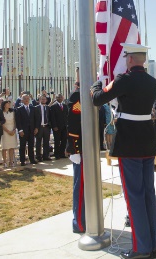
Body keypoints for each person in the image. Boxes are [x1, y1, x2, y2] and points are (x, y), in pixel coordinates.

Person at [91, 43, 156, 259]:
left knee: (134, 196)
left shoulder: (124, 80)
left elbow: (98, 99)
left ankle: (141, 248)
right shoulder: (153, 82)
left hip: (129, 143)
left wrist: (95, 85)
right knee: (148, 194)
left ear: (130, 59)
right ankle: (152, 244)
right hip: (147, 142)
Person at [67, 81, 85, 234]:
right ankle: (79, 222)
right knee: (80, 188)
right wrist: (75, 150)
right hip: (80, 149)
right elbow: (73, 126)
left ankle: (87, 219)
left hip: (88, 148)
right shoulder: (77, 96)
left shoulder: (88, 94)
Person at [15, 94, 38, 165]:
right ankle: (22, 160)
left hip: (31, 130)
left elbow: (36, 119)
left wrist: (36, 128)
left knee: (31, 145)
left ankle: (32, 159)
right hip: (23, 131)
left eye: (28, 98)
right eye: (25, 98)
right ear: (22, 100)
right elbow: (18, 121)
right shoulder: (19, 109)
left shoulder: (33, 108)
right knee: (22, 146)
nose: (27, 100)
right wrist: (20, 130)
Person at [49, 93, 68, 160]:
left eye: (61, 97)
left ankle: (62, 153)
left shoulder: (65, 106)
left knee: (64, 140)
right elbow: (52, 118)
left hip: (64, 127)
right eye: (58, 97)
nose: (60, 98)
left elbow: (66, 116)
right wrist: (54, 126)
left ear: (63, 98)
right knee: (57, 141)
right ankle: (56, 154)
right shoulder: (53, 106)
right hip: (57, 127)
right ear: (56, 98)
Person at [34, 95, 52, 161]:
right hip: (39, 127)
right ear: (40, 100)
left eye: (44, 99)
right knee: (38, 142)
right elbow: (34, 119)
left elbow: (50, 117)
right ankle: (38, 157)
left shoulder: (48, 108)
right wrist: (36, 128)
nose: (43, 100)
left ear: (46, 100)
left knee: (46, 142)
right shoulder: (36, 108)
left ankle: (46, 156)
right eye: (42, 99)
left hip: (46, 127)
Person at [0, 100, 18, 168]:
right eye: (7, 103)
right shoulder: (1, 112)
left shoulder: (12, 112)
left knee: (11, 147)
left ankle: (11, 161)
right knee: (5, 147)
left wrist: (13, 130)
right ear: (4, 105)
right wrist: (8, 131)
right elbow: (2, 123)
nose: (9, 105)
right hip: (5, 130)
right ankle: (5, 161)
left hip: (12, 129)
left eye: (9, 103)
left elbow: (15, 121)